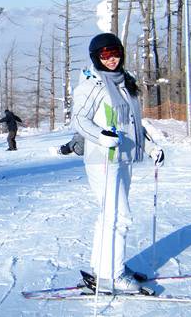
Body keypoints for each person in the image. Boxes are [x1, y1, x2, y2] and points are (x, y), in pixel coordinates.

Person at [71, 32, 164, 294]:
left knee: (109, 216)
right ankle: (112, 275)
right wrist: (101, 136)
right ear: (96, 57)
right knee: (119, 216)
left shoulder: (125, 82)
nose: (111, 59)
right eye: (105, 54)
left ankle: (103, 266)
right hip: (103, 160)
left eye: (115, 53)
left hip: (124, 158)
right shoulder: (92, 85)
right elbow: (79, 120)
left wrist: (151, 146)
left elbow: (132, 123)